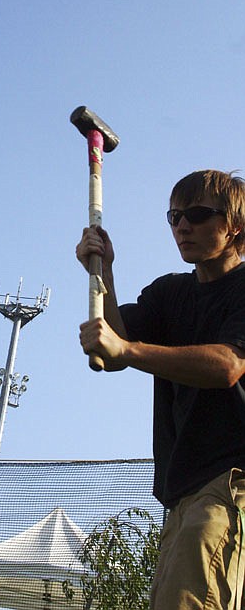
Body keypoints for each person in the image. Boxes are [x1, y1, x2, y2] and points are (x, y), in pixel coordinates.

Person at [76, 170, 245, 610]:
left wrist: (128, 349)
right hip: (182, 489)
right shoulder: (169, 293)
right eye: (174, 216)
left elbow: (227, 365)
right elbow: (112, 349)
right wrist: (103, 271)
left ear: (236, 226)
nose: (182, 226)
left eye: (198, 214)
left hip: (231, 480)